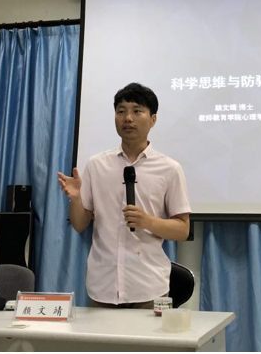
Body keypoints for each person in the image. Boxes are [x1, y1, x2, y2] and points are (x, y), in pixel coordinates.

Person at [58, 83, 191, 308]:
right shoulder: (96, 165)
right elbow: (80, 225)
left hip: (148, 287)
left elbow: (182, 229)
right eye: (121, 111)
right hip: (102, 287)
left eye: (137, 111)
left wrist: (148, 221)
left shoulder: (169, 169)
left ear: (153, 119)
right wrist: (76, 198)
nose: (128, 118)